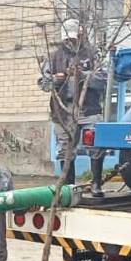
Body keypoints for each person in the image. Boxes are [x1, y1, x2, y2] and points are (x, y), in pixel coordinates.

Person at [38, 19, 107, 198]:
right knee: (65, 149)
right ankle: (69, 188)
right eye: (68, 39)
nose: (71, 42)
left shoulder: (93, 54)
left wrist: (83, 75)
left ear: (81, 35)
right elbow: (43, 84)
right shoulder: (53, 56)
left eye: (74, 38)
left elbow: (104, 80)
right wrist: (56, 79)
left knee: (96, 145)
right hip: (63, 110)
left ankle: (96, 185)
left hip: (89, 109)